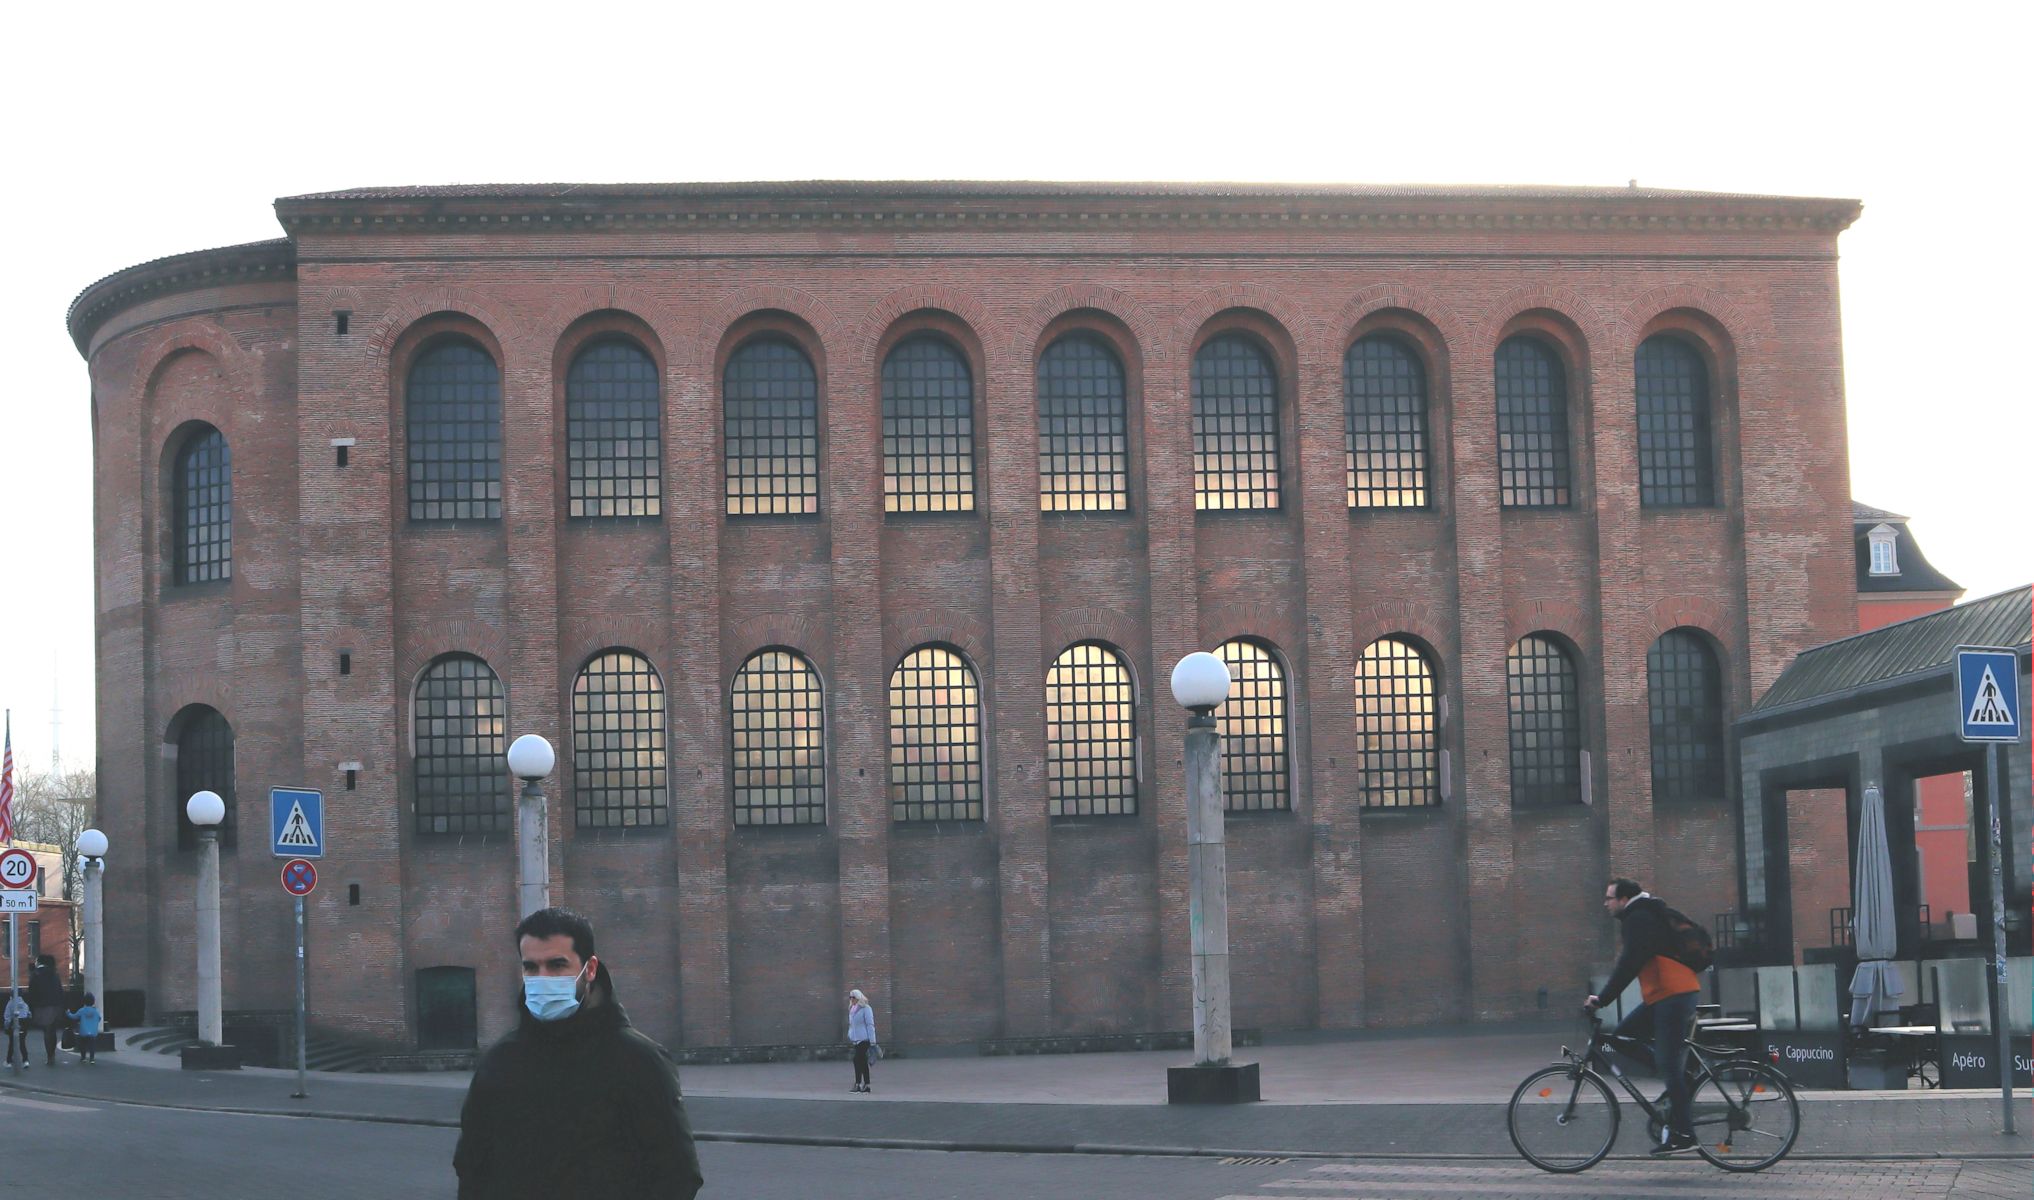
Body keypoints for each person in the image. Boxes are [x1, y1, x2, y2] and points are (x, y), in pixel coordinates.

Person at [453, 907, 702, 1200]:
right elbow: (472, 1166)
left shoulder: (638, 1060)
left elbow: (677, 1175)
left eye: (557, 965)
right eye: (531, 967)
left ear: (590, 968)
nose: (542, 977)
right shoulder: (500, 1061)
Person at [1586, 877, 1702, 1155]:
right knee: (1624, 1035)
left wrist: (1602, 999)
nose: (1605, 903)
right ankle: (1681, 1079)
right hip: (1667, 994)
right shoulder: (1644, 915)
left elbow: (1629, 964)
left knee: (1667, 1064)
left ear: (1624, 900)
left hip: (1673, 994)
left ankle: (1685, 1135)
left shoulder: (1637, 919)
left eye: (1609, 898)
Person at [26, 955, 65, 1068]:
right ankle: (52, 1055)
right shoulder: (54, 974)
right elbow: (60, 991)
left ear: (39, 962)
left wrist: (32, 1007)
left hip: (42, 1006)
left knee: (46, 1032)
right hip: (55, 1006)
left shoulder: (35, 974)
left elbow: (32, 992)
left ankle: (50, 1056)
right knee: (52, 1031)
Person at [847, 988, 878, 1093]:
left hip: (865, 1039)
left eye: (854, 997)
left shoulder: (866, 1008)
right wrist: (850, 1035)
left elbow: (870, 1024)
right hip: (856, 1040)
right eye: (850, 997)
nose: (852, 999)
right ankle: (867, 1085)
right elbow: (852, 1025)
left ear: (859, 997)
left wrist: (873, 1041)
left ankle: (858, 1084)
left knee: (856, 1060)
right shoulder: (852, 1009)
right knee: (863, 1062)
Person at [67, 992, 102, 1064]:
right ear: (93, 1001)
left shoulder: (82, 1010)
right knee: (92, 1045)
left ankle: (83, 1058)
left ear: (84, 1001)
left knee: (82, 1044)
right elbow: (99, 1018)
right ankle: (92, 1059)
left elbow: (74, 1017)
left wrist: (68, 1013)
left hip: (83, 1032)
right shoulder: (95, 1011)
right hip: (93, 1032)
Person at [3, 989, 29, 1069]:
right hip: (23, 1026)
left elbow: (7, 1017)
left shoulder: (10, 1003)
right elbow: (28, 1014)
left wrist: (6, 1027)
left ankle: (9, 1061)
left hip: (13, 1025)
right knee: (22, 1044)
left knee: (12, 1043)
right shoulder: (24, 1004)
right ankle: (25, 1061)